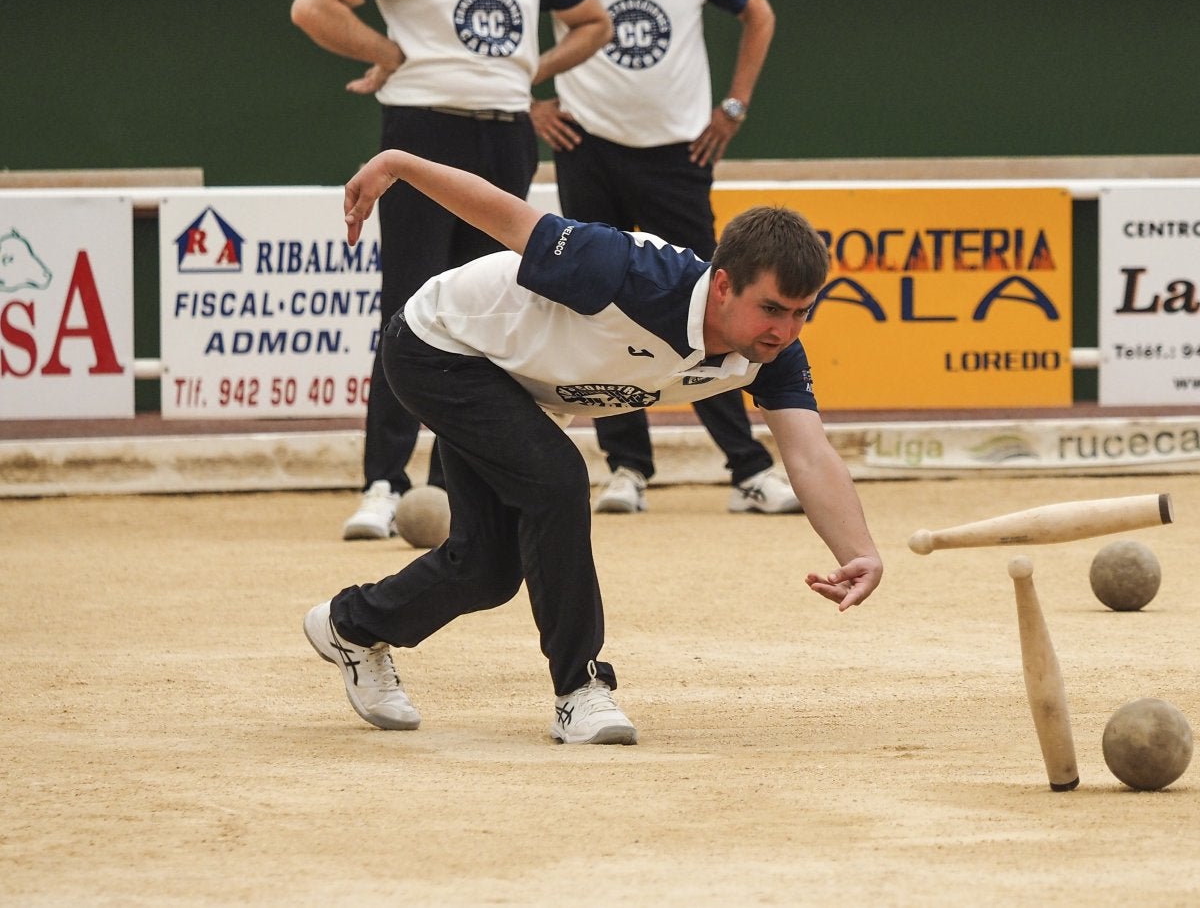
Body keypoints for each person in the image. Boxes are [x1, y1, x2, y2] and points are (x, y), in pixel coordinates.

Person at [304, 148, 883, 743]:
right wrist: (400, 165)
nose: (784, 331)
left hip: (520, 383)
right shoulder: (623, 272)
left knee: (489, 570)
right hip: (441, 345)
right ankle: (581, 691)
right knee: (557, 476)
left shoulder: (772, 356)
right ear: (724, 286)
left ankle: (351, 625)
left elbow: (809, 454)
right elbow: (504, 218)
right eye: (771, 309)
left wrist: (858, 548)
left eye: (800, 314)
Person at [290, 0, 611, 541]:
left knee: (489, 314)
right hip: (422, 134)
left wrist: (533, 68)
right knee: (407, 307)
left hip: (505, 141)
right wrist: (388, 53)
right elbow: (314, 6)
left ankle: (453, 485)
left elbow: (595, 23)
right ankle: (382, 481)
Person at [531, 0, 791, 517]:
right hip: (588, 149)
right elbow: (501, 29)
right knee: (600, 308)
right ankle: (626, 467)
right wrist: (531, 105)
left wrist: (732, 106)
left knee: (716, 308)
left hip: (680, 154)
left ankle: (748, 469)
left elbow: (759, 16)